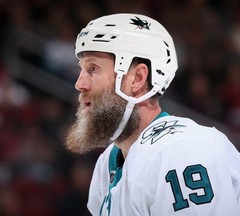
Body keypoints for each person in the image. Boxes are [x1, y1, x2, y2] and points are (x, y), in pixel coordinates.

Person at [65, 13, 240, 216]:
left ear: (137, 78)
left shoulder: (181, 151)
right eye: (82, 70)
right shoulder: (107, 164)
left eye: (93, 68)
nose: (80, 84)